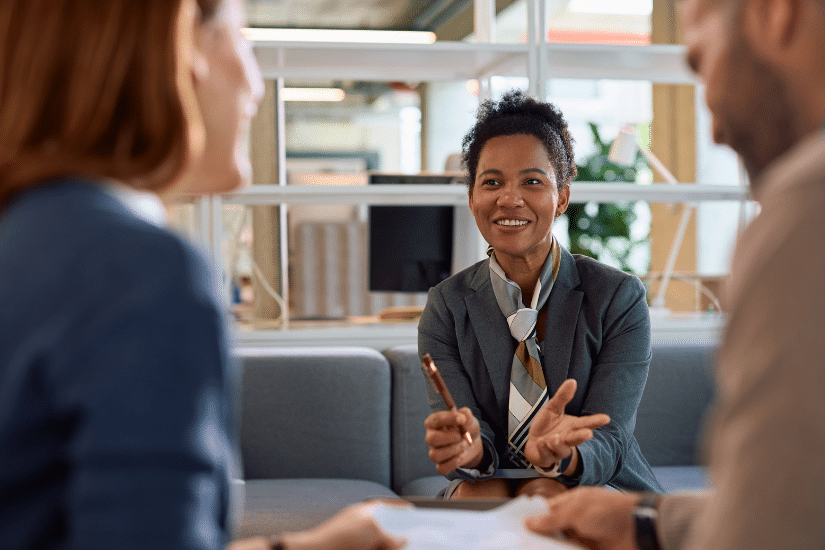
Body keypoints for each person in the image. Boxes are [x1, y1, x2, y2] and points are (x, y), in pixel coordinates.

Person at [0, 1, 404, 549]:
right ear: (180, 47)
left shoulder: (27, 235)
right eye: (240, 38)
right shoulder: (138, 272)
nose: (256, 84)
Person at [524, 0, 825, 548]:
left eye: (702, 60)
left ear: (776, 13)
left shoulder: (807, 212)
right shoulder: (452, 304)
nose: (712, 130)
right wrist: (647, 522)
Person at [419, 90, 663, 500]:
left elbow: (612, 437)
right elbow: (467, 441)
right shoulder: (447, 305)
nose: (509, 198)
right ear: (472, 197)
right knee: (483, 495)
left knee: (543, 491)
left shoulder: (618, 297)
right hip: (488, 482)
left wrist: (562, 458)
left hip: (592, 480)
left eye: (532, 182)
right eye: (491, 182)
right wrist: (472, 451)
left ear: (562, 197)